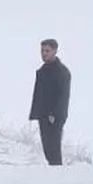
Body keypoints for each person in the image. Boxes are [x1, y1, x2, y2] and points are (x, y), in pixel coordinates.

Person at [29, 38, 71, 166]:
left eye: (47, 51)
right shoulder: (42, 71)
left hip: (55, 116)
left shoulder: (62, 71)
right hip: (43, 114)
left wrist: (54, 113)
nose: (44, 53)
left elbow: (63, 96)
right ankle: (53, 171)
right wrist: (36, 113)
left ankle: (57, 172)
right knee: (47, 147)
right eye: (42, 51)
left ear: (55, 51)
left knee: (54, 147)